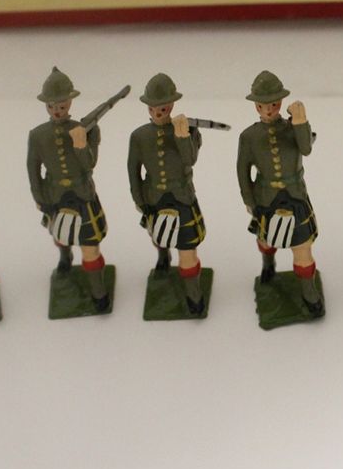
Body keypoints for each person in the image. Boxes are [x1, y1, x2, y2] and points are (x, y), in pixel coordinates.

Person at [236, 70, 324, 317]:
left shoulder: (294, 127)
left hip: (295, 195)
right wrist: (249, 200)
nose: (269, 109)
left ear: (281, 102)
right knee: (266, 239)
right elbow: (243, 171)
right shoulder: (248, 136)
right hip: (266, 198)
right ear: (256, 106)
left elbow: (306, 148)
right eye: (263, 105)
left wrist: (301, 121)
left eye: (274, 104)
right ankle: (268, 264)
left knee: (302, 246)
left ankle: (308, 291)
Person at [26, 67, 110, 312]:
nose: (57, 110)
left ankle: (98, 291)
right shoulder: (37, 135)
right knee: (59, 233)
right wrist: (39, 196)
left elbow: (90, 164)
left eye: (61, 105)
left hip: (82, 194)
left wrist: (81, 144)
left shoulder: (86, 129)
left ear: (70, 102)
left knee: (89, 244)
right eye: (51, 106)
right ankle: (65, 257)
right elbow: (33, 169)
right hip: (54, 195)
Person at [127, 73, 208, 316]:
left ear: (171, 105)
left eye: (162, 108)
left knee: (187, 248)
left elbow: (190, 159)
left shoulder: (189, 130)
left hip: (182, 197)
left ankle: (194, 296)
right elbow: (133, 171)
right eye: (152, 108)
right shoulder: (139, 136)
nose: (157, 112)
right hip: (154, 198)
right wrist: (139, 200)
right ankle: (163, 257)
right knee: (158, 234)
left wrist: (183, 136)